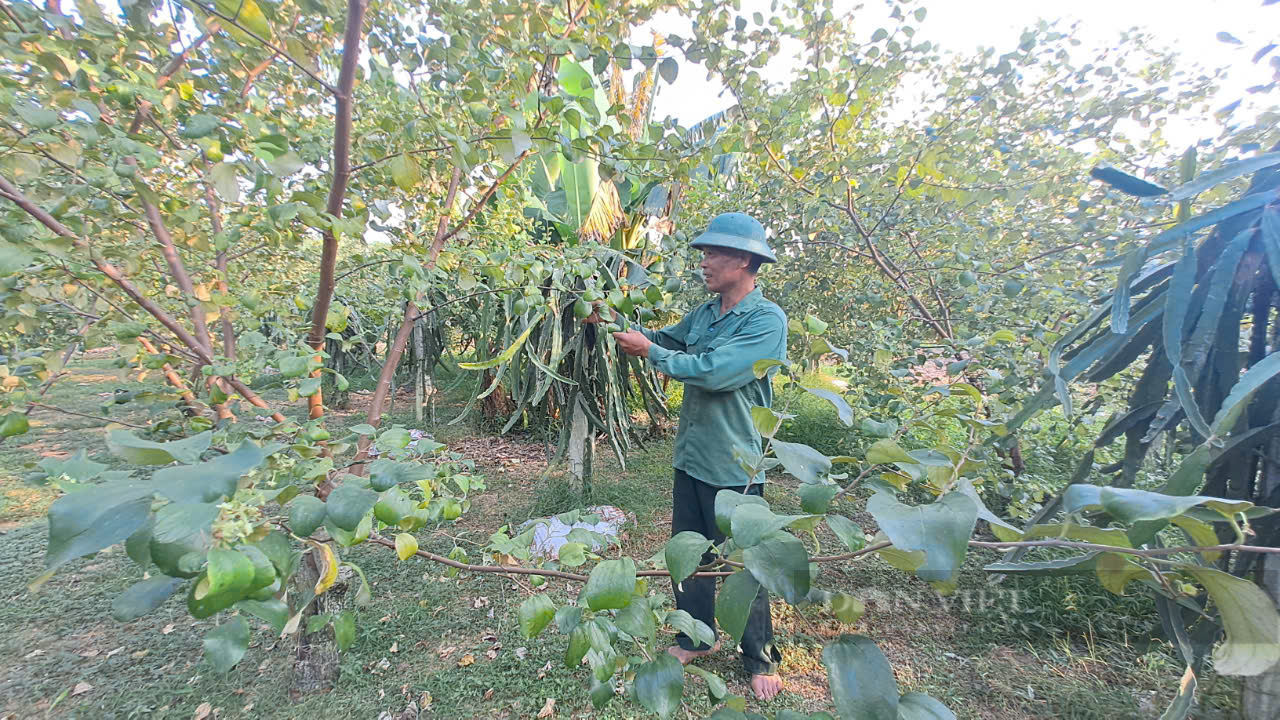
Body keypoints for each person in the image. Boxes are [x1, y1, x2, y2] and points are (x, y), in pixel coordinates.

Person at [603, 212, 788, 701]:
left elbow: (714, 372)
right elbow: (665, 340)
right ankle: (694, 636)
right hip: (693, 458)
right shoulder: (707, 313)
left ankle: (758, 655)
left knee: (743, 563)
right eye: (703, 253)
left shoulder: (766, 320)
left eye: (713, 254)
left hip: (736, 466)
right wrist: (611, 319)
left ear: (744, 260)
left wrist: (652, 353)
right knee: (689, 553)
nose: (703, 262)